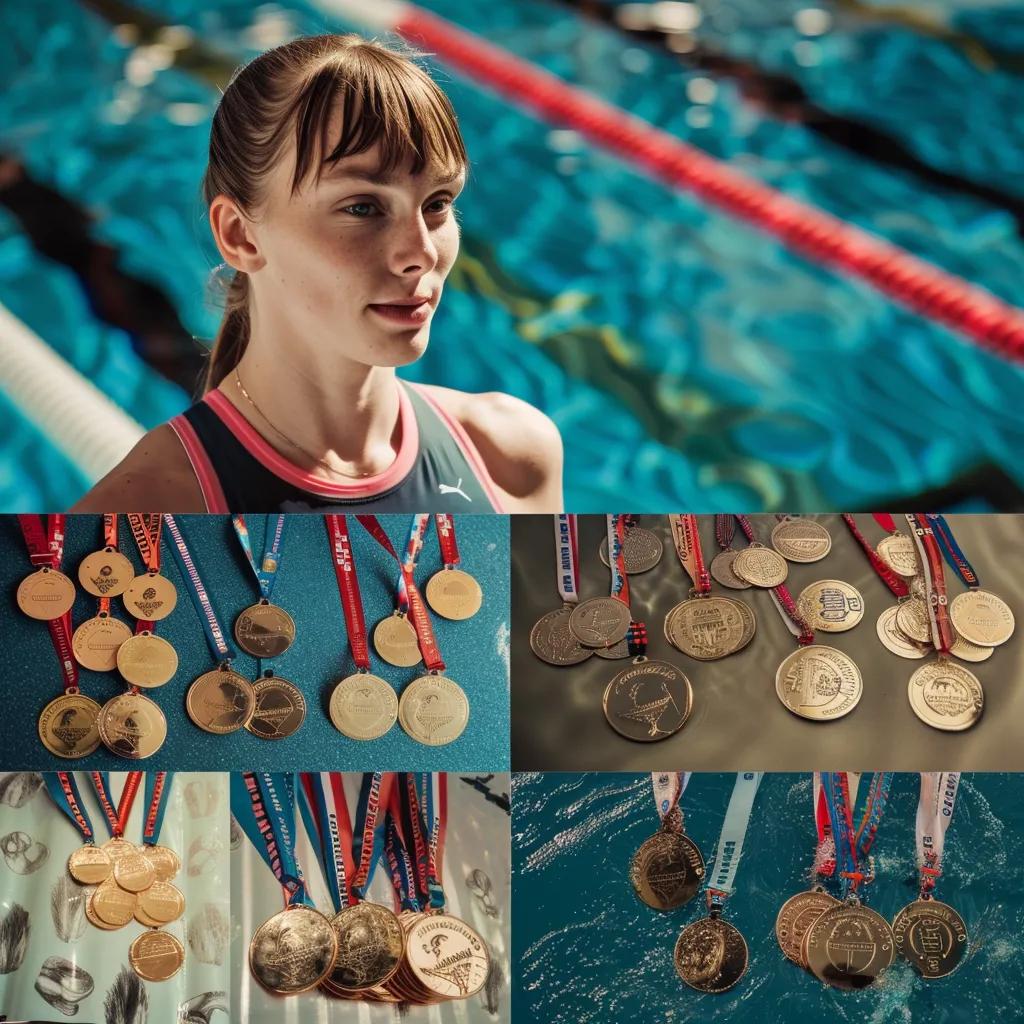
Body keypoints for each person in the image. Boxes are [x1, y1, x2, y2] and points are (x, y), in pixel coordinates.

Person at [73, 33, 562, 513]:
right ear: (241, 236)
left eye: (437, 204)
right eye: (363, 208)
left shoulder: (511, 456)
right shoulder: (144, 513)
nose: (420, 254)